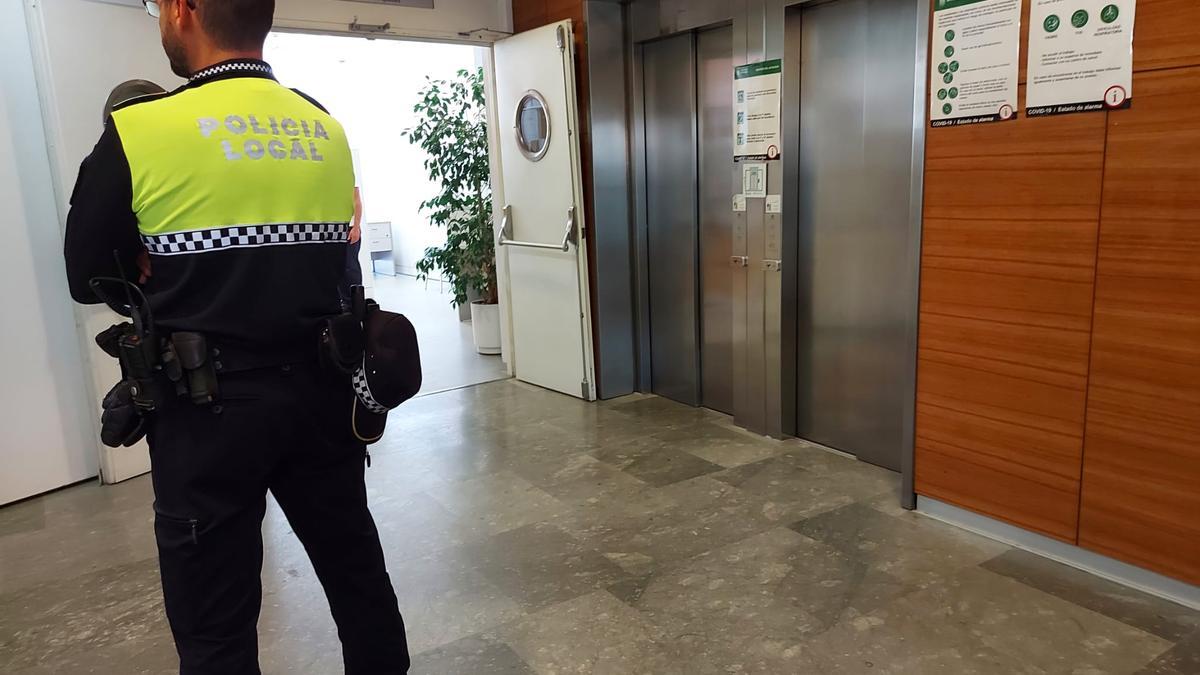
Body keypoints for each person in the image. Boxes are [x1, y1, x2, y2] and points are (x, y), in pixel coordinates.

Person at [62, 1, 409, 673]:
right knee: (360, 588)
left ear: (187, 10)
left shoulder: (138, 130)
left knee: (216, 632)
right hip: (321, 400)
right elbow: (341, 264)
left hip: (204, 418)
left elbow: (85, 274)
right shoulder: (323, 126)